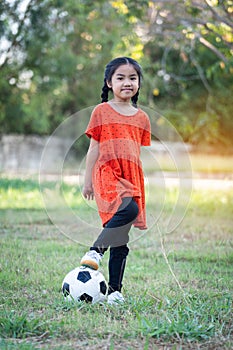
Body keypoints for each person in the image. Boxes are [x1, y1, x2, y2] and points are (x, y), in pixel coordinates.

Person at [81, 57, 151, 305]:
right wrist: (88, 180)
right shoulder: (100, 111)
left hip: (130, 175)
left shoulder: (141, 117)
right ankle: (95, 250)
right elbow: (93, 149)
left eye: (133, 78)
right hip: (107, 173)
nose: (127, 82)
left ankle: (115, 291)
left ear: (139, 83)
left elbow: (135, 151)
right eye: (120, 77)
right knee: (128, 208)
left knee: (121, 236)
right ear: (109, 83)